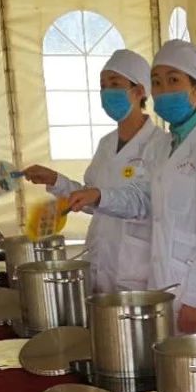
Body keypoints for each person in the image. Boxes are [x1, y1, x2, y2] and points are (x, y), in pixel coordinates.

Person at [67, 40, 196, 333]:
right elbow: (144, 201)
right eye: (157, 83)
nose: (163, 91)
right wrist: (99, 196)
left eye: (173, 80)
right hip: (163, 283)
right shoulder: (167, 146)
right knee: (165, 359)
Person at [22, 49, 167, 295]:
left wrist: (99, 196)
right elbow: (91, 201)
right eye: (103, 86)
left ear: (139, 91)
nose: (107, 92)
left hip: (136, 268)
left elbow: (144, 202)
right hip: (99, 260)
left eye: (115, 84)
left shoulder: (160, 145)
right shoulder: (106, 144)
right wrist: (56, 180)